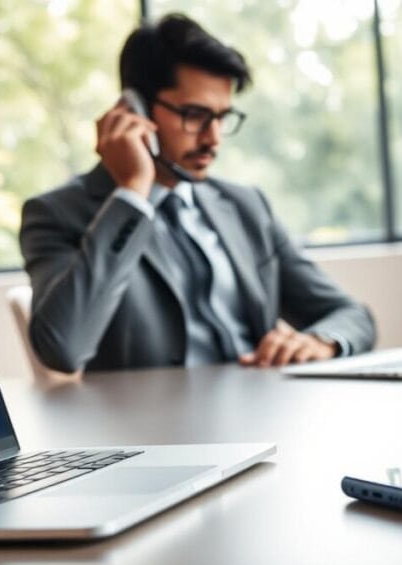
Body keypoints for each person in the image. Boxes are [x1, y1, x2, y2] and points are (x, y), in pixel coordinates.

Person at [19, 13, 375, 373]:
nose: (213, 138)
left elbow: (351, 316)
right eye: (194, 115)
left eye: (221, 117)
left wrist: (319, 342)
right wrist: (131, 193)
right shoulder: (57, 213)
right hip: (152, 426)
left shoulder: (244, 205)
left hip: (265, 412)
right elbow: (62, 348)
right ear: (134, 109)